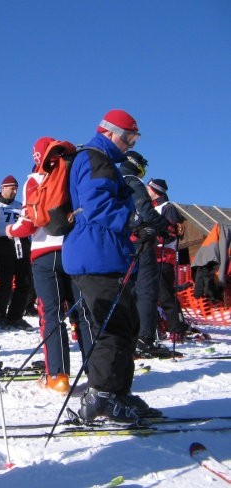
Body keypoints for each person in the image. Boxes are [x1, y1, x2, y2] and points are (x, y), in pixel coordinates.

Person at [63, 109, 157, 422]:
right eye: (128, 136)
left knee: (125, 326)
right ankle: (101, 397)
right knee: (112, 328)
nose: (130, 143)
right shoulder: (95, 157)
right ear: (108, 131)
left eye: (135, 138)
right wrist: (133, 221)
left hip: (105, 253)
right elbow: (97, 204)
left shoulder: (103, 160)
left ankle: (118, 392)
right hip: (95, 254)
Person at [6, 137, 93, 394]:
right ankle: (97, 374)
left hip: (45, 253)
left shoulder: (35, 179)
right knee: (84, 315)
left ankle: (57, 375)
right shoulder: (74, 174)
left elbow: (29, 221)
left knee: (51, 314)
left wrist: (10, 231)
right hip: (76, 251)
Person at [118, 151, 171, 358]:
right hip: (141, 240)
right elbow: (146, 212)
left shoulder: (111, 178)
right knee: (146, 290)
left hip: (120, 242)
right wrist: (165, 226)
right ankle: (145, 339)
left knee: (126, 290)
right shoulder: (133, 181)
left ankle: (128, 337)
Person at [0, 175, 34, 330]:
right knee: (4, 282)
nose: (14, 191)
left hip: (21, 244)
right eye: (12, 188)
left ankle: (16, 316)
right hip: (1, 244)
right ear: (3, 188)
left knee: (23, 282)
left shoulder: (20, 205)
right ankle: (0, 317)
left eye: (16, 188)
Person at [146, 178, 189, 340]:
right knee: (150, 295)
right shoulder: (151, 208)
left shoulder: (168, 208)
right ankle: (159, 327)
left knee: (166, 295)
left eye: (148, 189)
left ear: (156, 191)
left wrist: (153, 238)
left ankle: (176, 329)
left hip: (164, 258)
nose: (146, 192)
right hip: (151, 258)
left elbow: (173, 234)